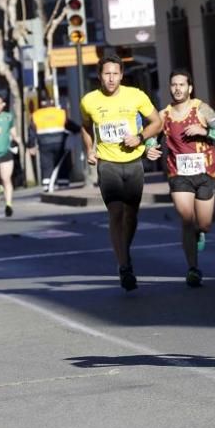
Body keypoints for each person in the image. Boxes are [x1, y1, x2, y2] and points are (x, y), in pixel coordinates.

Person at [81, 55, 163, 291]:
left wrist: (140, 137)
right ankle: (124, 265)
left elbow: (156, 122)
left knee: (131, 215)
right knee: (116, 212)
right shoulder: (89, 100)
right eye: (107, 74)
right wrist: (90, 149)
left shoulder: (136, 95)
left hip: (134, 161)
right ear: (99, 75)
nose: (111, 78)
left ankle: (123, 251)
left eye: (115, 74)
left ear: (121, 75)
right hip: (107, 163)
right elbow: (86, 127)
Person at [144, 69, 215, 287]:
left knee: (205, 223)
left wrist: (204, 131)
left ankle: (201, 232)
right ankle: (193, 268)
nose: (178, 89)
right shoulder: (164, 115)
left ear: (190, 88)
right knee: (186, 218)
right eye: (174, 85)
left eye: (182, 85)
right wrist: (150, 148)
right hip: (178, 173)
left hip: (205, 172)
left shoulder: (201, 109)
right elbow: (151, 138)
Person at [30, 96, 81, 191]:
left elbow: (32, 132)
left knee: (46, 164)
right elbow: (69, 124)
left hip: (44, 143)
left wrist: (31, 146)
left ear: (42, 104)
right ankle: (63, 182)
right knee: (61, 163)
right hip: (60, 142)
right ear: (53, 103)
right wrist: (79, 130)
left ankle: (47, 184)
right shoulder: (60, 113)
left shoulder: (36, 115)